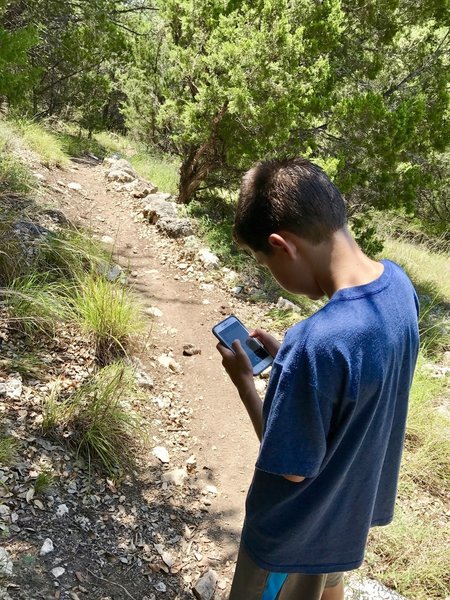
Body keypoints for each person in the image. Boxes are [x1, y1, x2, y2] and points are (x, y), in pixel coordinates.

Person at [216, 158, 419, 600]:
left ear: (281, 245)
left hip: (289, 541)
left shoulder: (315, 343)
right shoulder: (401, 288)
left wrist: (247, 385)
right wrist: (290, 367)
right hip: (345, 522)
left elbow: (290, 468)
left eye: (262, 260)